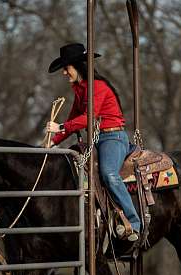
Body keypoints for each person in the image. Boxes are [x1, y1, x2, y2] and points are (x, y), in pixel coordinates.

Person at [46, 43, 140, 242]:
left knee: (109, 173)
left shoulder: (97, 87)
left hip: (113, 137)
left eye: (66, 67)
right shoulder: (80, 89)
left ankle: (134, 222)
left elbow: (88, 118)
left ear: (78, 66)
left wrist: (60, 127)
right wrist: (51, 142)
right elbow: (74, 119)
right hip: (97, 140)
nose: (64, 72)